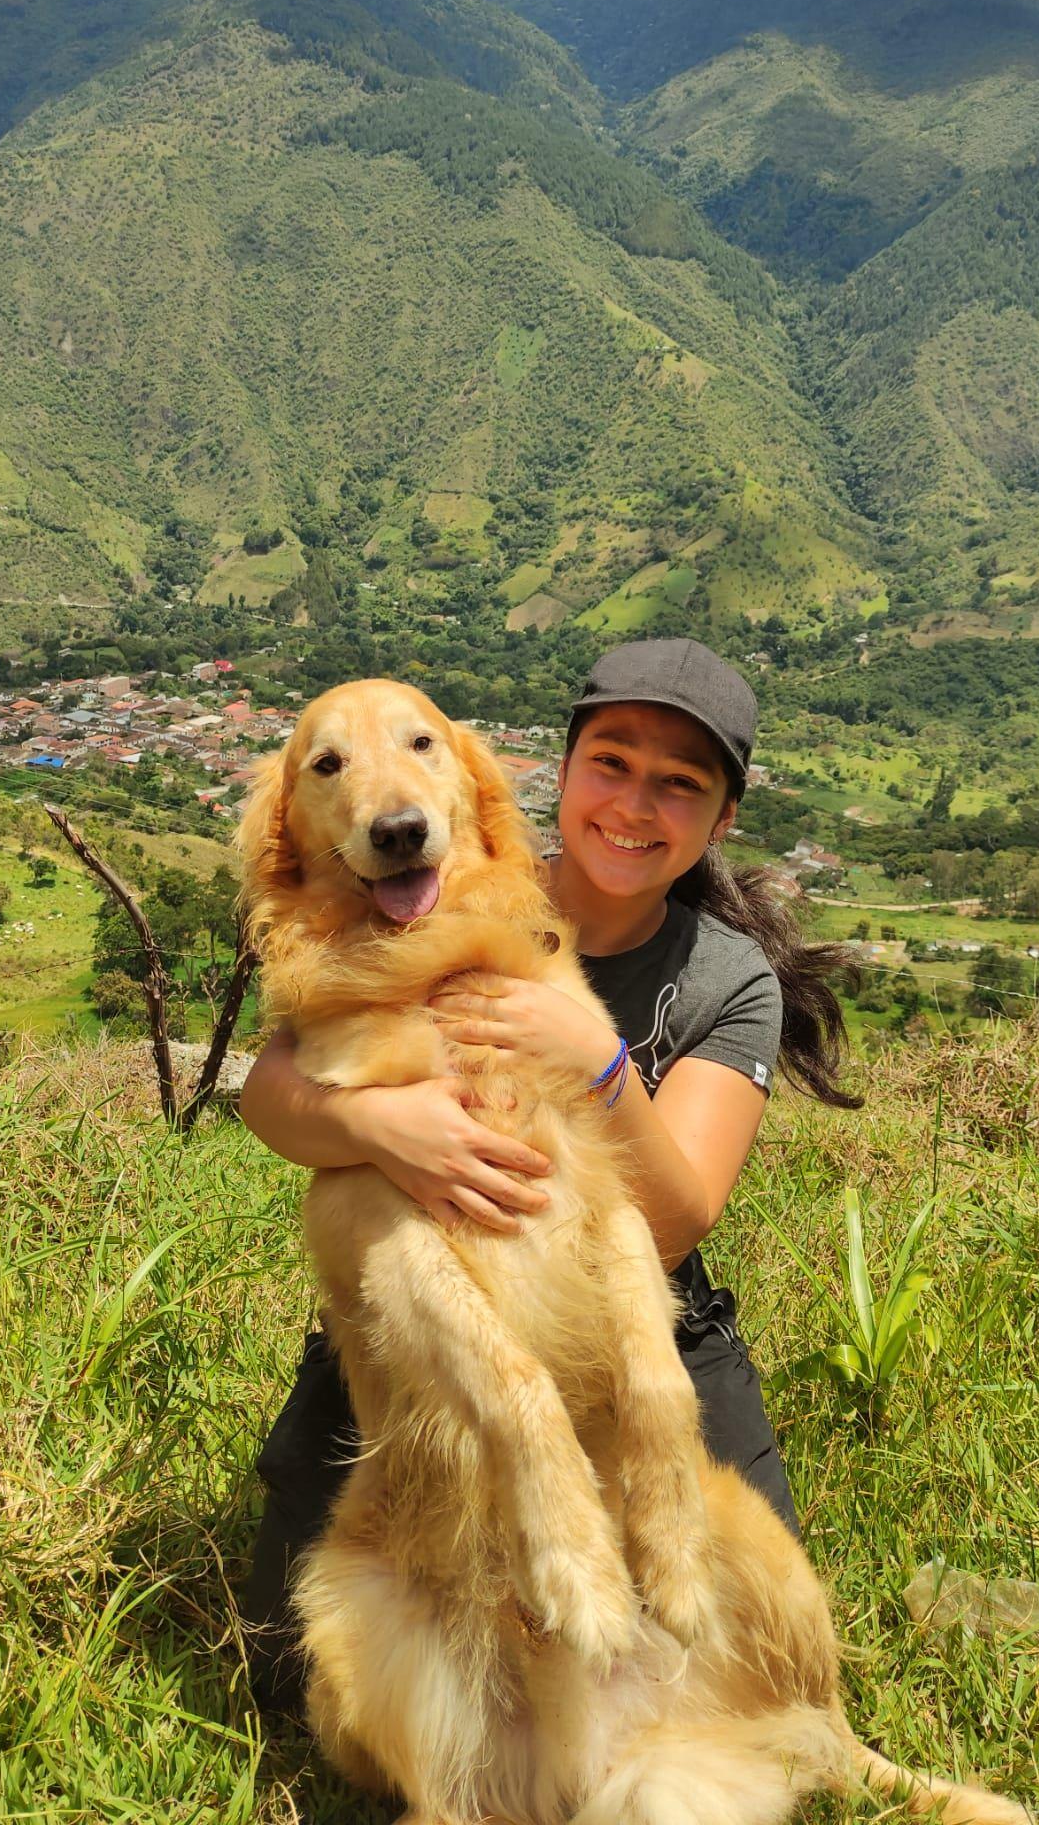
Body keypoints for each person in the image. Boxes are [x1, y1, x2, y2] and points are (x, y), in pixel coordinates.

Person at [234, 637, 862, 1718]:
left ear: (718, 822)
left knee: (735, 1659)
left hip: (637, 1316)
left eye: (679, 784)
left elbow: (671, 1219)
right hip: (421, 1325)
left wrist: (596, 1056)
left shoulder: (726, 977)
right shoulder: (424, 903)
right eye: (609, 763)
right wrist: (379, 1125)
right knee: (294, 1680)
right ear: (553, 776)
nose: (632, 803)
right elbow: (268, 1093)